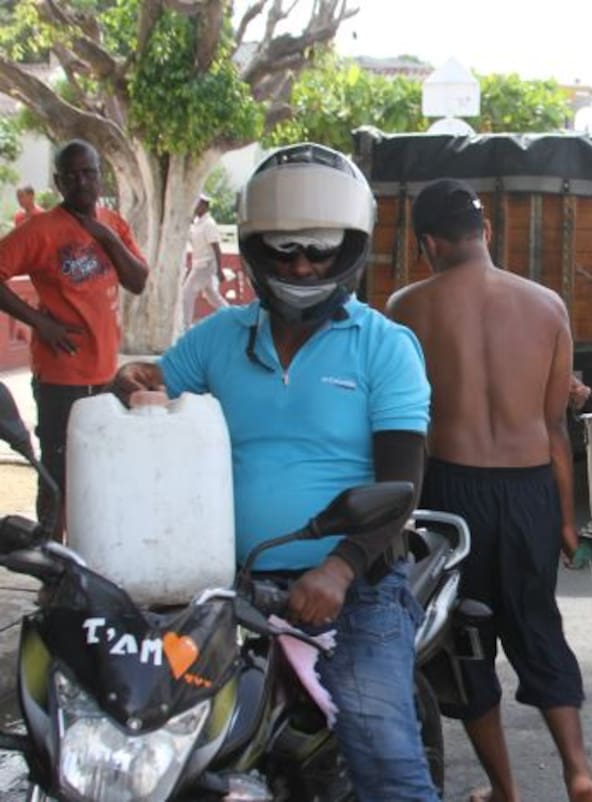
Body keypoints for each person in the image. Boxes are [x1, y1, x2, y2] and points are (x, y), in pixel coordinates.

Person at [112, 143, 439, 801]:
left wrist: (340, 568)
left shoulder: (385, 345)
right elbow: (150, 398)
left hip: (357, 584)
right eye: (284, 248)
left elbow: (402, 485)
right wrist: (132, 384)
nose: (302, 264)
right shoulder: (217, 338)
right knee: (145, 728)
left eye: (319, 248)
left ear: (349, 248)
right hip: (221, 581)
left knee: (384, 752)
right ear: (257, 248)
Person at [388, 178, 592, 802]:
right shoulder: (547, 306)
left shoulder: (406, 308)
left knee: (463, 645)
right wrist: (565, 518)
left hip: (451, 494)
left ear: (428, 242)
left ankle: (505, 789)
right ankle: (578, 771)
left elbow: (395, 418)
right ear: (487, 233)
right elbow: (555, 427)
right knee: (537, 627)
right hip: (531, 488)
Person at [0, 140, 148, 531]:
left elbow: (138, 280)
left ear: (101, 176)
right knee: (58, 475)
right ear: (58, 181)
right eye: (72, 175)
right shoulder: (41, 230)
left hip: (104, 374)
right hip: (60, 378)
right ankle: (51, 565)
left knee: (101, 471)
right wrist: (39, 322)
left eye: (90, 173)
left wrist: (106, 237)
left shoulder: (113, 223)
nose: (82, 182)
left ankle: (90, 564)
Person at [181, 192, 228, 328]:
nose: (195, 206)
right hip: (199, 265)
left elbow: (216, 247)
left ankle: (185, 326)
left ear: (204, 206)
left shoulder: (209, 224)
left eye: (197, 204)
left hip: (205, 266)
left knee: (187, 294)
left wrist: (219, 269)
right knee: (213, 297)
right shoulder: (198, 224)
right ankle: (232, 316)